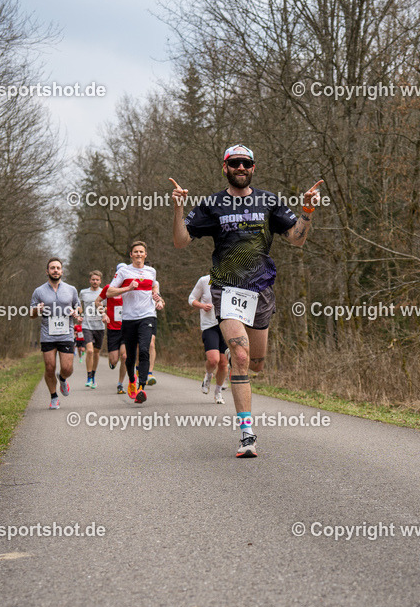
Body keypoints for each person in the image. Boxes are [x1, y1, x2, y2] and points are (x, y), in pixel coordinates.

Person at [171, 144, 322, 457]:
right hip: (226, 289)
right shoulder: (212, 204)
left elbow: (297, 239)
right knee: (240, 357)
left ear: (253, 167)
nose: (241, 167)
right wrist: (178, 209)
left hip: (260, 290)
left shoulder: (269, 201)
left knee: (256, 364)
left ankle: (238, 354)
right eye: (235, 163)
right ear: (225, 167)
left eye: (246, 163)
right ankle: (247, 434)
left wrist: (307, 210)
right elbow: (181, 241)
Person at [105, 241, 164, 404]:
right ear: (131, 255)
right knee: (129, 356)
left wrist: (158, 299)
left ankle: (141, 388)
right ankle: (132, 380)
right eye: (135, 252)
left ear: (145, 254)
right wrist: (127, 288)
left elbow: (154, 288)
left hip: (147, 316)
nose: (138, 254)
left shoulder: (151, 271)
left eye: (141, 252)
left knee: (144, 349)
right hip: (129, 318)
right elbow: (109, 292)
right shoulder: (123, 272)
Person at [30, 258, 81, 409]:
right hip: (48, 334)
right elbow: (31, 314)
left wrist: (76, 312)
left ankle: (63, 379)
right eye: (52, 268)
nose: (55, 270)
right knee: (49, 367)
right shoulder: (39, 291)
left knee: (67, 368)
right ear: (47, 271)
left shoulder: (71, 289)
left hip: (66, 333)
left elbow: (78, 307)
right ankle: (54, 397)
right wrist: (37, 309)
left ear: (62, 271)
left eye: (58, 268)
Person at [188, 274, 228, 404]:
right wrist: (202, 305)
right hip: (210, 325)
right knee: (213, 360)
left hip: (227, 325)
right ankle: (209, 375)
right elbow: (191, 299)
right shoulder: (205, 280)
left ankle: (218, 392)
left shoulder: (233, 280)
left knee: (223, 363)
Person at [98, 264, 128, 394]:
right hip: (113, 329)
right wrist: (103, 314)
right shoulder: (108, 289)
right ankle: (112, 362)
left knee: (125, 356)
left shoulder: (130, 289)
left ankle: (120, 384)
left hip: (126, 328)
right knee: (114, 360)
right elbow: (97, 302)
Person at [79, 271, 105, 388]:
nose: (95, 282)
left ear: (100, 281)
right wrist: (80, 314)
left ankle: (93, 375)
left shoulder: (104, 292)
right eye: (93, 279)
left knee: (96, 352)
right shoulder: (83, 292)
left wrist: (104, 312)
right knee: (89, 351)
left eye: (97, 280)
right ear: (90, 280)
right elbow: (79, 305)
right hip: (87, 325)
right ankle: (89, 377)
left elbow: (108, 306)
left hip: (99, 325)